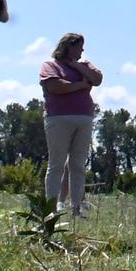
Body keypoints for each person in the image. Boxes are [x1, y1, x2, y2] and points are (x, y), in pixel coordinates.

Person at [40, 32, 101, 216]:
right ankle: (51, 209)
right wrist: (81, 85)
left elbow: (97, 79)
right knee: (56, 164)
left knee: (78, 165)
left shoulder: (84, 65)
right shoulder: (50, 66)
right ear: (69, 46)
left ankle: (76, 209)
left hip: (84, 118)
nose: (82, 50)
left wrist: (76, 65)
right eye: (79, 46)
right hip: (58, 119)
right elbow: (56, 87)